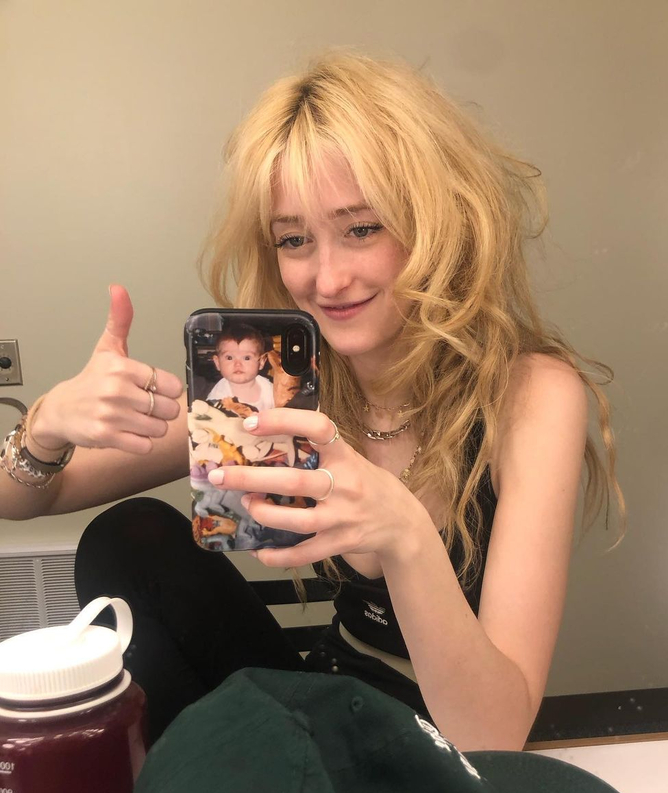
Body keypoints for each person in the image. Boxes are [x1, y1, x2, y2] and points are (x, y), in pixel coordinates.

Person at [0, 52, 623, 752]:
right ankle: (207, 792)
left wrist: (405, 535)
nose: (327, 279)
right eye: (295, 239)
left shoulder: (530, 394)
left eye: (362, 228)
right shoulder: (281, 377)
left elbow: (495, 736)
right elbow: (24, 498)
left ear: (438, 223)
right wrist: (47, 427)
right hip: (323, 705)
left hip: (444, 753)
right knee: (128, 537)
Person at [205, 323, 275, 409]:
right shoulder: (218, 396)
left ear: (261, 362)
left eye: (246, 358)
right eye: (229, 358)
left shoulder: (268, 388)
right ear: (217, 363)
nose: (238, 364)